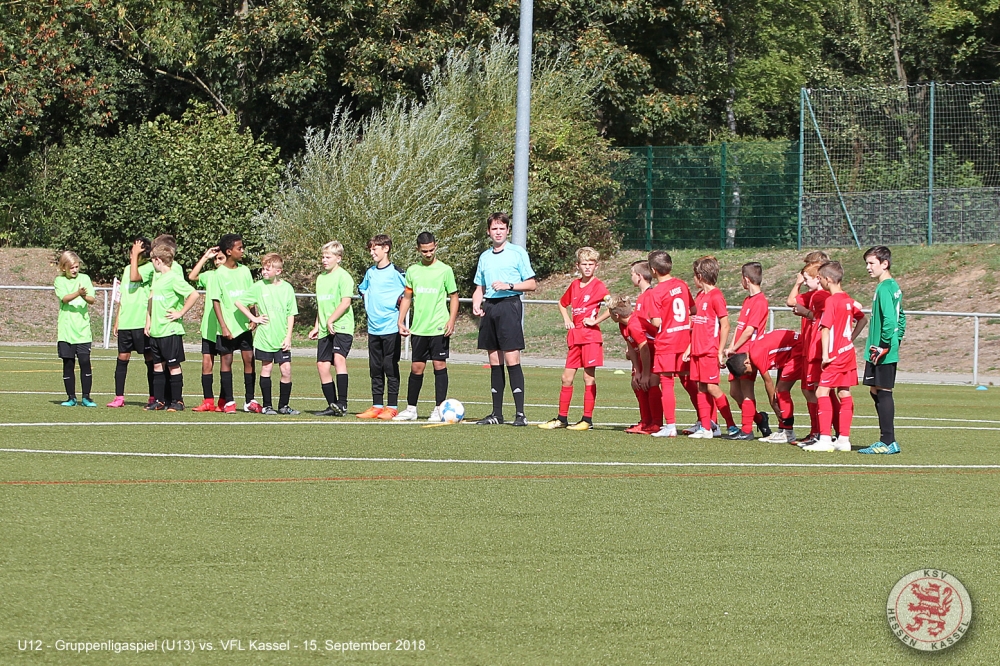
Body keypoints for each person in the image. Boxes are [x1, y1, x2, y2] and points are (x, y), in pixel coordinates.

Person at [471, 212, 537, 426]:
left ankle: (520, 414)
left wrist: (509, 285)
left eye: (502, 228)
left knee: (511, 358)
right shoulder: (485, 257)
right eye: (494, 228)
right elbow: (479, 287)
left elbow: (531, 284)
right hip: (490, 307)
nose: (498, 232)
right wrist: (476, 303)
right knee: (494, 360)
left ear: (507, 230)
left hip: (509, 305)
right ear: (488, 232)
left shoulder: (517, 253)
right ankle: (496, 414)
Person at [539, 247, 609, 430]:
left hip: (591, 337)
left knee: (588, 377)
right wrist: (567, 319)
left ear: (596, 266)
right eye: (584, 264)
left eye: (591, 264)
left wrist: (595, 321)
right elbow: (562, 304)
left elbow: (613, 305)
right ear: (578, 265)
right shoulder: (575, 285)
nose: (588, 267)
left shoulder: (599, 286)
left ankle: (587, 420)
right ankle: (562, 419)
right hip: (575, 337)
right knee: (566, 378)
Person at [393, 232, 460, 422]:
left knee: (439, 365)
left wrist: (451, 320)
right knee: (416, 368)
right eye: (424, 251)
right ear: (418, 249)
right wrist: (400, 321)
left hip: (439, 326)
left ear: (435, 246)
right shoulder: (413, 271)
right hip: (419, 328)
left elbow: (454, 296)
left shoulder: (445, 270)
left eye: (431, 250)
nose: (428, 254)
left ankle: (439, 409)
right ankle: (411, 409)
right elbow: (407, 297)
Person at [803, 261, 867, 452]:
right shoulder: (848, 299)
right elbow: (863, 319)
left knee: (821, 392)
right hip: (848, 352)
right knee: (844, 392)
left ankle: (824, 439)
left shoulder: (831, 301)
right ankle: (843, 440)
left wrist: (825, 355)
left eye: (820, 278)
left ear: (828, 279)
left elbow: (825, 329)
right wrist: (850, 339)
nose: (819, 281)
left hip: (835, 355)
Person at [236, 253, 300, 415]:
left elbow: (291, 314)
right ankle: (267, 406)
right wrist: (254, 318)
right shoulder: (258, 286)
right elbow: (239, 302)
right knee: (267, 369)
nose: (264, 272)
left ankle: (284, 406)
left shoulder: (287, 288)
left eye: (267, 269)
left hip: (281, 338)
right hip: (265, 337)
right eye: (263, 269)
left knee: (286, 370)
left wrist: (288, 336)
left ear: (278, 271)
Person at [859, 246, 905, 455]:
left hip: (881, 349)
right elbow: (901, 317)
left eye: (871, 263)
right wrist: (896, 340)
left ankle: (888, 441)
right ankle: (886, 439)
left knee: (883, 391)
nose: (868, 267)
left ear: (884, 264)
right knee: (875, 390)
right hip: (881, 347)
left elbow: (890, 319)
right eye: (867, 263)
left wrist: (885, 345)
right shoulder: (893, 286)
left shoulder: (884, 288)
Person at [644, 250, 695, 438]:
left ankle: (670, 425)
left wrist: (650, 318)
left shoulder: (655, 292)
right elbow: (693, 309)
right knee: (689, 381)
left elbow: (657, 322)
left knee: (666, 382)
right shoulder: (682, 284)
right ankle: (706, 421)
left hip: (667, 341)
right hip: (684, 339)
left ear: (653, 270)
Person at [356, 234, 406, 420]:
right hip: (373, 328)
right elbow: (362, 289)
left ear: (386, 248)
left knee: (390, 366)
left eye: (374, 248)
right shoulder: (370, 272)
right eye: (370, 249)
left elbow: (409, 292)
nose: (371, 252)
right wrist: (368, 302)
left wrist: (398, 303)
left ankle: (391, 406)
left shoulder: (397, 272)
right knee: (375, 367)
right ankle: (377, 405)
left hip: (391, 327)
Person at [144, 245, 199, 411]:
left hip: (170, 330)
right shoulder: (158, 278)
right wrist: (148, 322)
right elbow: (151, 301)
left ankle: (177, 401)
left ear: (158, 260)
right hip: (156, 330)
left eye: (152, 260)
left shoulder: (174, 278)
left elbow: (194, 294)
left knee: (173, 366)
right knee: (157, 366)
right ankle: (159, 400)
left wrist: (180, 312)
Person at [686, 256, 735, 439]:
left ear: (700, 276)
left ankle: (731, 425)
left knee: (712, 388)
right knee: (701, 388)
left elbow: (725, 325)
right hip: (697, 350)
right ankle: (706, 428)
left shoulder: (716, 296)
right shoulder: (700, 296)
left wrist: (720, 351)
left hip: (709, 350)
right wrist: (690, 348)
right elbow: (697, 325)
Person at [723, 262, 772, 441]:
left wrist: (734, 348)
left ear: (746, 279)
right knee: (735, 392)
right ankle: (759, 419)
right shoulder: (748, 300)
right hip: (737, 351)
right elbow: (741, 327)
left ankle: (746, 430)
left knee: (746, 390)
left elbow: (750, 330)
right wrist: (731, 348)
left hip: (749, 353)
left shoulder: (760, 301)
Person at [727, 328, 803, 443]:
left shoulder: (756, 355)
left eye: (747, 372)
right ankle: (783, 430)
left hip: (798, 348)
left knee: (782, 390)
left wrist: (773, 404)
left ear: (746, 362)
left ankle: (788, 433)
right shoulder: (753, 350)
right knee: (780, 391)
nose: (750, 374)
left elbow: (768, 381)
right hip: (793, 348)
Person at [209, 233, 257, 414]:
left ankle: (250, 400)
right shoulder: (218, 274)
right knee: (226, 360)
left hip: (244, 326)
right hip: (228, 327)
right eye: (239, 248)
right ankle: (229, 401)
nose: (242, 251)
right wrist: (223, 326)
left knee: (249, 360)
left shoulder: (245, 271)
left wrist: (253, 317)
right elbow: (216, 301)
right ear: (229, 251)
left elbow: (251, 296)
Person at [308, 240, 355, 416]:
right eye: (323, 257)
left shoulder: (344, 277)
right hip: (325, 328)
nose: (324, 260)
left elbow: (345, 302)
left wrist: (331, 320)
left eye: (328, 257)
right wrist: (316, 326)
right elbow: (322, 305)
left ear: (338, 258)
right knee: (322, 365)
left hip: (341, 326)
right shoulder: (320, 278)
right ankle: (332, 405)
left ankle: (342, 403)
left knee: (339, 359)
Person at [108, 237, 155, 408]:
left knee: (150, 359)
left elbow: (135, 278)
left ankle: (153, 396)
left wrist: (135, 255)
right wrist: (117, 320)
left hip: (141, 322)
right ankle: (119, 397)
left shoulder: (149, 268)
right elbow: (123, 297)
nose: (132, 254)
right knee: (122, 357)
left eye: (136, 252)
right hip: (126, 323)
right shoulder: (127, 269)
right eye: (131, 251)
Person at [787, 261, 828, 446]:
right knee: (810, 390)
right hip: (810, 348)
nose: (804, 282)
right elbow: (791, 302)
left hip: (818, 350)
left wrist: (807, 313)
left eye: (806, 278)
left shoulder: (822, 296)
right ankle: (818, 432)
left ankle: (822, 433)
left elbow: (825, 319)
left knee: (820, 392)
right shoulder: (814, 295)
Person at [608, 295, 662, 435]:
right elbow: (632, 348)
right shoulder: (623, 324)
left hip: (657, 353)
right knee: (637, 384)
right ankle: (645, 422)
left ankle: (656, 423)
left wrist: (645, 375)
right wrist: (637, 372)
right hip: (645, 356)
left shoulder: (634, 324)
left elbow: (645, 349)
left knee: (651, 382)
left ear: (617, 315)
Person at [54, 251, 96, 407]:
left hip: (83, 330)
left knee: (85, 362)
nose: (74, 270)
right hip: (66, 331)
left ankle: (86, 397)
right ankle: (71, 397)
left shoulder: (84, 279)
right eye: (71, 267)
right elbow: (64, 298)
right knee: (68, 364)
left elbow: (91, 299)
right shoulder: (59, 281)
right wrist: (78, 293)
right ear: (63, 267)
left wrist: (83, 296)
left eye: (76, 267)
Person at [188, 246, 226, 412]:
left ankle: (223, 402)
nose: (217, 261)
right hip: (209, 327)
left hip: (226, 328)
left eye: (221, 258)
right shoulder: (210, 275)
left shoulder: (234, 275)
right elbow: (192, 276)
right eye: (216, 259)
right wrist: (205, 257)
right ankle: (208, 401)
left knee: (225, 366)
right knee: (206, 364)